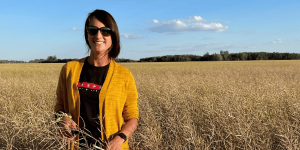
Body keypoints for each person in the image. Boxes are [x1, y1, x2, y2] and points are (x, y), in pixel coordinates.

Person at [54, 9, 139, 150]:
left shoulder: (124, 75)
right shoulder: (69, 70)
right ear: (87, 34)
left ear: (113, 36)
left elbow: (132, 117)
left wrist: (120, 138)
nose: (98, 36)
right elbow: (59, 108)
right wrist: (63, 120)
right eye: (93, 30)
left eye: (105, 31)